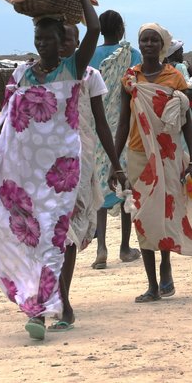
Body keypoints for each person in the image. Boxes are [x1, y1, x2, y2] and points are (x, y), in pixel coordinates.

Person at [0, 0, 100, 341]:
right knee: (29, 236)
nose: (43, 45)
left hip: (60, 172)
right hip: (25, 172)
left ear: (60, 40)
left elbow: (93, 29)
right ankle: (39, 305)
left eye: (49, 39)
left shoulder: (73, 70)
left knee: (54, 236)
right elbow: (6, 127)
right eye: (39, 39)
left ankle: (45, 308)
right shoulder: (23, 76)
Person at [111, 23, 192, 302]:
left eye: (154, 40)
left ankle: (165, 267)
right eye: (144, 40)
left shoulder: (174, 77)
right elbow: (122, 123)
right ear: (139, 45)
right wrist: (116, 164)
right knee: (142, 216)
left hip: (168, 155)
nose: (149, 45)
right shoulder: (130, 80)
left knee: (165, 215)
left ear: (162, 45)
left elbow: (187, 121)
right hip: (139, 155)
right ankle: (152, 284)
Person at [51, 24, 127, 331]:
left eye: (70, 39)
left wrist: (114, 163)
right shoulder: (39, 75)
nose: (63, 45)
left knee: (67, 233)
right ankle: (55, 300)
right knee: (49, 233)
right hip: (43, 162)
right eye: (59, 39)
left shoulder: (90, 76)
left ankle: (63, 301)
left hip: (79, 161)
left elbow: (100, 122)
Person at [88, 9, 141, 270]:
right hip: (126, 127)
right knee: (125, 186)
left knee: (100, 187)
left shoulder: (91, 55)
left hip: (99, 131)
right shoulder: (131, 54)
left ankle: (101, 248)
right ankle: (124, 246)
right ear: (121, 29)